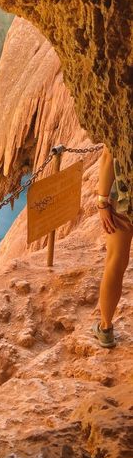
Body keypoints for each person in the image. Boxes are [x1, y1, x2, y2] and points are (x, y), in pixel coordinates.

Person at [93, 146, 133, 347]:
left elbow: (109, 155)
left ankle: (106, 328)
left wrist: (102, 202)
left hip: (123, 198)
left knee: (115, 261)